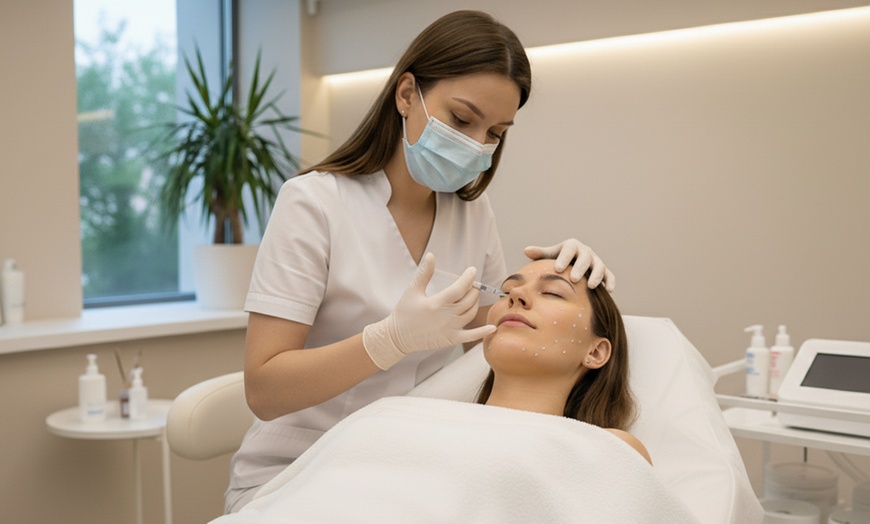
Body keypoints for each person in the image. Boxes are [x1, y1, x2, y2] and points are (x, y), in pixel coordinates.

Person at [226, 10, 616, 512]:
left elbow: (493, 331)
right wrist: (387, 342)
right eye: (461, 119)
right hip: (301, 470)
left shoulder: (472, 214)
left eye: (496, 132)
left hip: (406, 464)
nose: (478, 145)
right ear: (406, 94)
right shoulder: (314, 203)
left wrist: (559, 277)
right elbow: (264, 390)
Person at [212, 258, 692, 523]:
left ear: (597, 352)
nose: (515, 297)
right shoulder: (395, 414)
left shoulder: (604, 447)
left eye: (552, 293)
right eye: (508, 290)